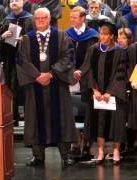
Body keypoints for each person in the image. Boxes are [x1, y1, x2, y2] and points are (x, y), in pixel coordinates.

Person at [16, 7, 77, 167]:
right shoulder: (26, 39)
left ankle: (65, 155)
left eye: (44, 18)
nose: (41, 20)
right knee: (36, 119)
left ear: (50, 19)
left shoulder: (62, 36)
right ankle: (38, 156)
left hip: (57, 83)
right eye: (37, 18)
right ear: (34, 20)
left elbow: (69, 56)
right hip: (35, 85)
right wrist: (37, 76)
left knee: (62, 119)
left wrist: (50, 74)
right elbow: (21, 60)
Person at [79, 22, 128, 165]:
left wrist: (109, 92)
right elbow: (88, 71)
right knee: (99, 122)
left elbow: (121, 73)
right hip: (97, 95)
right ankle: (100, 151)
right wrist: (94, 89)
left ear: (112, 36)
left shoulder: (119, 51)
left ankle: (116, 151)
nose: (103, 36)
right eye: (101, 33)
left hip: (114, 95)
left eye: (106, 34)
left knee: (116, 123)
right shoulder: (92, 49)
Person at [65, 5, 99, 161]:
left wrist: (81, 71)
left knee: (88, 111)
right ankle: (75, 143)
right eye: (71, 17)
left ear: (83, 18)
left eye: (74, 17)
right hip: (71, 76)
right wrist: (72, 70)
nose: (71, 20)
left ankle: (87, 145)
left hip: (88, 77)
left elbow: (93, 58)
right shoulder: (66, 34)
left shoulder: (92, 35)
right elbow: (64, 54)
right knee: (71, 110)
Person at [0, 0, 34, 124]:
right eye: (11, 1)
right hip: (10, 60)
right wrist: (3, 36)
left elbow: (36, 37)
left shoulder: (30, 19)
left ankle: (29, 120)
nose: (14, 2)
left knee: (27, 88)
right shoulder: (6, 20)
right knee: (11, 87)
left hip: (27, 60)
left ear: (23, 3)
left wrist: (25, 39)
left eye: (17, 0)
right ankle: (13, 119)